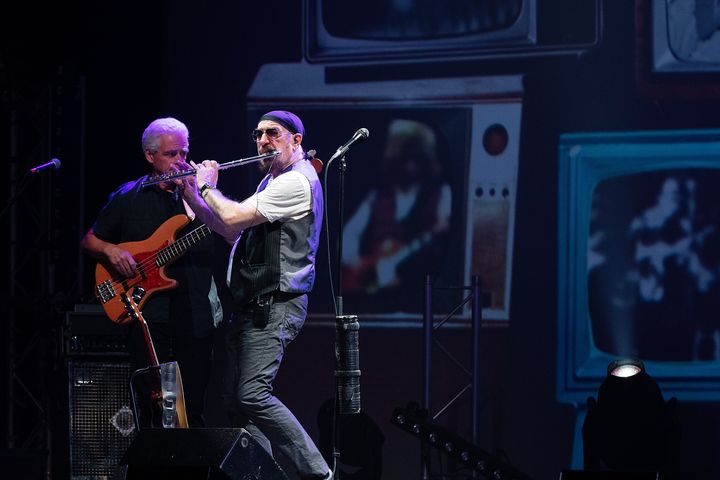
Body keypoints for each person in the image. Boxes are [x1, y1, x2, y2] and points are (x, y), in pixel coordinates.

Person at [179, 111, 331, 480]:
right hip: (252, 302)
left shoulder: (296, 182)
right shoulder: (272, 180)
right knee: (236, 404)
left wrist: (207, 186)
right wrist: (191, 190)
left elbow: (230, 217)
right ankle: (260, 475)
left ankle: (319, 474)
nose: (263, 141)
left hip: (275, 303)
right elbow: (229, 229)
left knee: (252, 395)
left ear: (296, 141)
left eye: (273, 134)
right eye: (258, 134)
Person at [81, 117, 223, 427]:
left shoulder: (198, 195)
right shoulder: (128, 196)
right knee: (159, 410)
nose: (180, 162)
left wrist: (201, 193)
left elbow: (227, 229)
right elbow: (90, 239)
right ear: (150, 155)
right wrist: (111, 250)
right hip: (148, 314)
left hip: (195, 313)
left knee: (192, 408)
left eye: (184, 153)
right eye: (172, 155)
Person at [341, 118, 451, 311]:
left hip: (419, 289)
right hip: (375, 290)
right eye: (404, 158)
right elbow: (350, 234)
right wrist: (360, 265)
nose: (410, 165)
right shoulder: (377, 197)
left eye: (416, 158)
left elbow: (443, 240)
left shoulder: (441, 195)